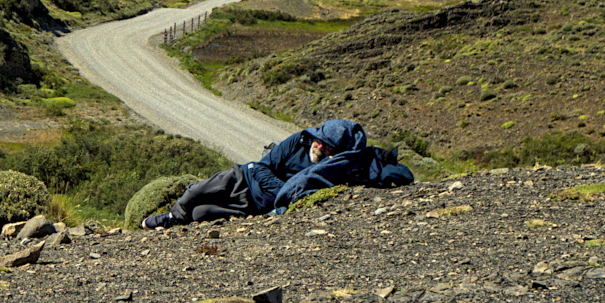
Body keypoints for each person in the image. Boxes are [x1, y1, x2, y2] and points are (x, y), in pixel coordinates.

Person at [142, 119, 411, 228]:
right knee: (193, 193)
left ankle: (179, 221)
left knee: (201, 215)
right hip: (244, 178)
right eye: (318, 139)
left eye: (325, 144)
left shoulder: (331, 169)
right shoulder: (298, 141)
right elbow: (262, 166)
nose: (317, 145)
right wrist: (280, 187)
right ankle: (168, 218)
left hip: (253, 205)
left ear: (335, 152)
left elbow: (390, 171)